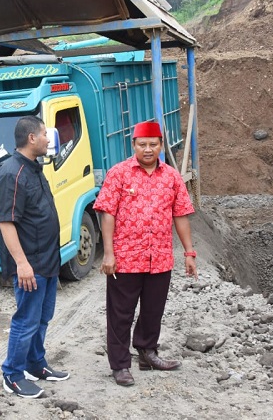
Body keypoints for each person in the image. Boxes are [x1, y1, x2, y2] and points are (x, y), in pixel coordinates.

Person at [93, 121, 197, 387]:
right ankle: (120, 365)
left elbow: (181, 215)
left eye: (153, 144)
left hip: (160, 257)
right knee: (121, 314)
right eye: (143, 144)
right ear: (134, 146)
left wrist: (189, 252)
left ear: (161, 145)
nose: (148, 149)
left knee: (153, 310)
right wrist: (108, 253)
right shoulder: (119, 174)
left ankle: (147, 353)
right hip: (126, 258)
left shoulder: (171, 177)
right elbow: (107, 214)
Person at [0, 115, 70, 398]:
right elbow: (6, 222)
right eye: (45, 134)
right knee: (26, 320)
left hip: (47, 260)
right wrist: (22, 264)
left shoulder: (34, 168)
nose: (49, 140)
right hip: (31, 264)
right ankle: (12, 374)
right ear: (31, 138)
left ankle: (35, 364)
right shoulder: (10, 173)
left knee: (42, 317)